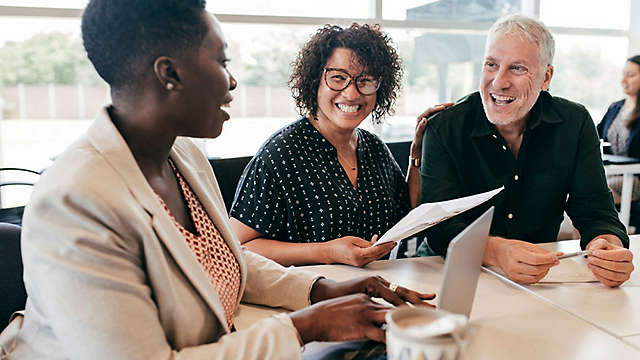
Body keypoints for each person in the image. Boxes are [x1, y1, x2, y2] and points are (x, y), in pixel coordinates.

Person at [0, 1, 436, 359]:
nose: (232, 80)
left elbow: (223, 257)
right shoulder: (76, 198)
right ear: (170, 74)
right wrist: (303, 328)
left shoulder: (182, 154)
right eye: (221, 61)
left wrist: (323, 289)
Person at [417, 14, 634, 287]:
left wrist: (607, 247)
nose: (498, 82)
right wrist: (497, 251)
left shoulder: (574, 123)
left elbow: (596, 212)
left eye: (517, 68)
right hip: (446, 270)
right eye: (491, 65)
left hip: (538, 277)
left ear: (546, 77)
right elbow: (439, 226)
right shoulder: (445, 127)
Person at [229, 23, 451, 267]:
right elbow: (240, 246)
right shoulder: (281, 154)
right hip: (307, 296)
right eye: (338, 78)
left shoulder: (374, 148)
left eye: (365, 81)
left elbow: (409, 212)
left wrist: (417, 154)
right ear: (315, 81)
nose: (352, 93)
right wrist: (327, 252)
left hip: (375, 289)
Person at [597, 55, 640, 204]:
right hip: (612, 172)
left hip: (634, 177)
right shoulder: (615, 107)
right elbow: (594, 134)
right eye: (623, 75)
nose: (623, 80)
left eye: (631, 75)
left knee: (597, 191)